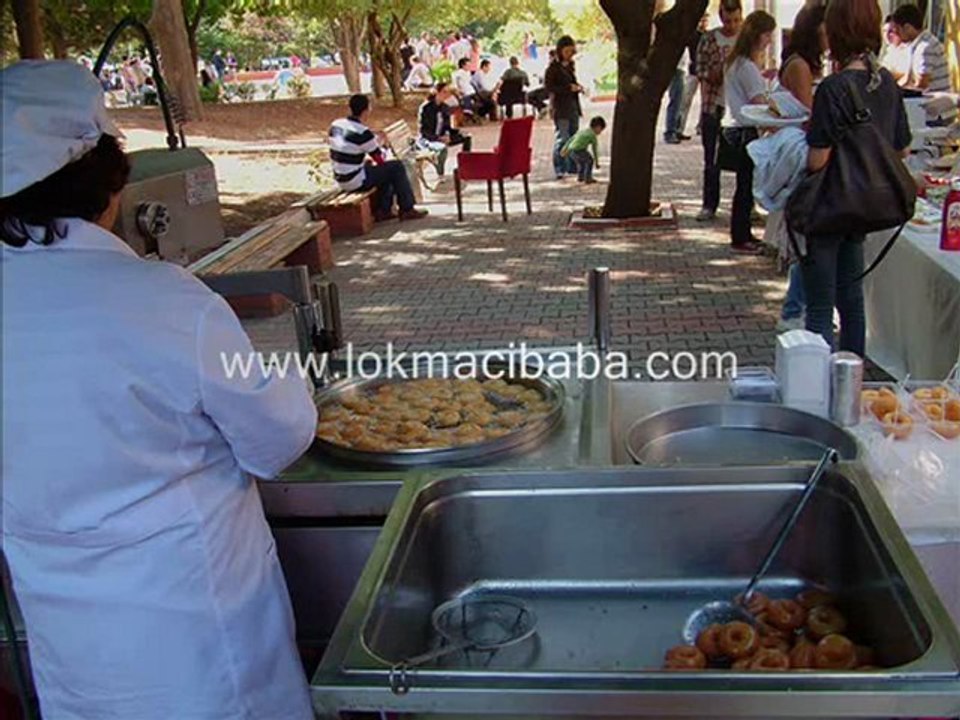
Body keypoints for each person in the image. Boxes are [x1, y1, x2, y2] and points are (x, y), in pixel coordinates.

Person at [0, 61, 317, 720]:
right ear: (107, 186)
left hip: (73, 652)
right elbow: (276, 440)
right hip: (199, 646)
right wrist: (286, 383)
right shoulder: (162, 302)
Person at [802, 0, 911, 354]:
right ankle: (852, 384)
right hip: (865, 205)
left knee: (819, 306)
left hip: (830, 205)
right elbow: (901, 150)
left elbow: (818, 161)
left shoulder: (834, 88)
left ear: (836, 31)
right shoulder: (888, 86)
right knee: (851, 301)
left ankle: (814, 393)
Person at [773, 1, 827, 331]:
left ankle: (796, 308)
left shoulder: (800, 63)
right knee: (807, 245)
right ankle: (794, 310)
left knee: (806, 245)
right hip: (802, 157)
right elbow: (810, 118)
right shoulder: (800, 66)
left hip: (801, 153)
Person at [722, 9, 775, 254]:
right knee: (745, 187)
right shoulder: (746, 67)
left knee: (744, 186)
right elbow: (759, 100)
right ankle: (740, 235)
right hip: (744, 129)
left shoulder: (738, 63)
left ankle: (742, 233)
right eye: (767, 36)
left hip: (735, 127)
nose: (769, 41)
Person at [329, 94, 428, 221]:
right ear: (366, 110)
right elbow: (380, 160)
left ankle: (383, 210)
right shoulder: (363, 132)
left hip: (340, 177)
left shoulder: (336, 125)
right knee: (396, 167)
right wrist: (383, 146)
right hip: (354, 180)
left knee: (383, 171)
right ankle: (407, 208)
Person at [696, 0, 743, 222]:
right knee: (712, 159)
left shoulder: (746, 38)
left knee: (745, 161)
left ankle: (746, 206)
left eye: (736, 20)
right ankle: (709, 205)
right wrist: (722, 67)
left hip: (742, 108)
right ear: (721, 16)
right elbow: (701, 71)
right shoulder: (710, 39)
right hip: (715, 106)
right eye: (727, 20)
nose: (732, 25)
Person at [545, 35, 584, 180]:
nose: (568, 55)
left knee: (573, 137)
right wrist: (568, 88)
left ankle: (571, 166)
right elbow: (550, 88)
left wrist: (578, 87)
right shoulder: (553, 69)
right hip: (561, 108)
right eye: (566, 51)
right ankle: (559, 167)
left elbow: (573, 83)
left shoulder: (570, 67)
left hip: (572, 106)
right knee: (563, 138)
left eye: (571, 52)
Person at [889, 4, 950, 92]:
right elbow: (908, 79)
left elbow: (921, 84)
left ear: (907, 27)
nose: (897, 35)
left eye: (897, 30)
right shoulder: (916, 45)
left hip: (936, 101)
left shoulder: (925, 47)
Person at [417, 82, 473, 175]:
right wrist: (438, 138)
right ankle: (440, 172)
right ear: (437, 92)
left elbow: (447, 126)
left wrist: (448, 135)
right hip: (428, 139)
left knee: (467, 137)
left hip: (442, 136)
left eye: (448, 93)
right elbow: (424, 130)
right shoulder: (426, 107)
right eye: (444, 92)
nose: (446, 95)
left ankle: (464, 166)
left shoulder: (444, 107)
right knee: (442, 148)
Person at [561, 116, 606, 184]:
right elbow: (594, 150)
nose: (600, 132)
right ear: (598, 127)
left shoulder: (583, 131)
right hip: (579, 150)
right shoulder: (592, 135)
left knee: (581, 163)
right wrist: (596, 162)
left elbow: (571, 139)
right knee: (589, 161)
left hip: (571, 151)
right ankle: (588, 178)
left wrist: (564, 148)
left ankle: (581, 177)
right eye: (600, 130)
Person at [880, 15, 911, 85]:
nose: (887, 35)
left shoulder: (908, 50)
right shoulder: (889, 51)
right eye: (884, 31)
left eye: (891, 31)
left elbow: (907, 75)